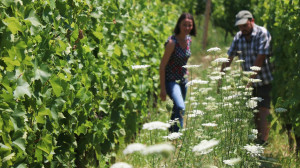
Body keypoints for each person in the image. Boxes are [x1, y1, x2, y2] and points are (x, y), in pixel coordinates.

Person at [220, 10, 273, 145]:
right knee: (253, 109)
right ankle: (258, 137)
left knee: (263, 108)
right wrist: (221, 77)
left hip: (264, 78)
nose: (242, 28)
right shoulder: (238, 37)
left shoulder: (262, 33)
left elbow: (261, 58)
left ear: (252, 21)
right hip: (247, 80)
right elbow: (229, 57)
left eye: (244, 25)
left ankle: (264, 140)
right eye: (240, 26)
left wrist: (250, 80)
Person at [159, 13, 196, 132]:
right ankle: (175, 133)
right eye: (184, 25)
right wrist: (163, 89)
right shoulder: (172, 43)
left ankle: (173, 136)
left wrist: (187, 71)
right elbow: (162, 66)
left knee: (178, 109)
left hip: (183, 79)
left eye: (189, 25)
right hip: (171, 80)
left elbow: (184, 59)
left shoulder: (189, 39)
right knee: (180, 106)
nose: (187, 28)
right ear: (179, 25)